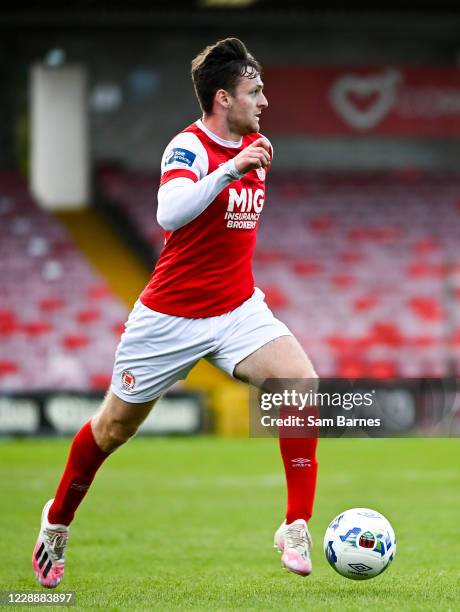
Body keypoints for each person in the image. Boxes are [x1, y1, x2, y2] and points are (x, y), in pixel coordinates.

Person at [32, 37, 319, 588]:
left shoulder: (259, 145)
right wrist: (231, 168)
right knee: (113, 428)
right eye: (253, 92)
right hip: (169, 318)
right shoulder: (187, 148)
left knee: (300, 384)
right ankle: (57, 521)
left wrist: (242, 161)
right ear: (221, 99)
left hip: (236, 308)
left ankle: (295, 523)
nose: (263, 102)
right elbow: (170, 213)